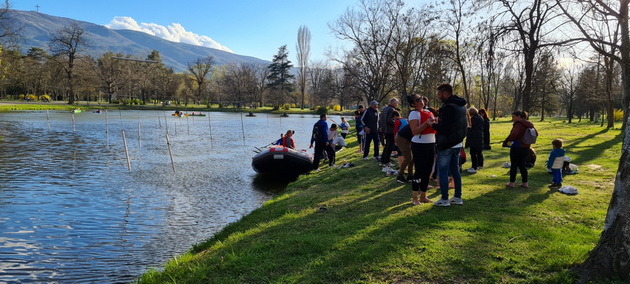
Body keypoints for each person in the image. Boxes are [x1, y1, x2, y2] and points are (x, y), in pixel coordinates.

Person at [427, 83, 468, 207]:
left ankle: (444, 199)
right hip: (457, 143)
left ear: (445, 93)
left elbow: (444, 128)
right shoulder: (461, 105)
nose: (438, 97)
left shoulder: (448, 106)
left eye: (439, 94)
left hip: (447, 144)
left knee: (443, 171)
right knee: (455, 170)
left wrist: (432, 125)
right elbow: (454, 123)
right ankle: (457, 197)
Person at [408, 94, 437, 205]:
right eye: (417, 100)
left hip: (431, 143)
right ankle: (415, 198)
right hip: (419, 144)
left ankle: (423, 196)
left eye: (421, 99)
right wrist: (427, 122)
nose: (420, 101)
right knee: (419, 171)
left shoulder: (428, 111)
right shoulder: (414, 114)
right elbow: (414, 131)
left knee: (428, 171)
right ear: (413, 104)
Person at [503, 110, 536, 188]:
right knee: (522, 165)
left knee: (514, 164)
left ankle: (512, 182)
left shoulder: (518, 124)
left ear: (519, 116)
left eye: (514, 117)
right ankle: (525, 182)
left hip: (517, 146)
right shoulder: (529, 124)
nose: (513, 119)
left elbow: (514, 134)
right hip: (526, 146)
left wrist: (509, 140)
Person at [378, 98, 400, 166]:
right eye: (397, 103)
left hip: (384, 129)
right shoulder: (391, 109)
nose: (397, 105)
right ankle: (386, 161)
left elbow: (381, 119)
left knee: (387, 145)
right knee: (389, 146)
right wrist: (396, 124)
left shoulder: (384, 108)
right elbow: (389, 120)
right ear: (393, 103)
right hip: (390, 130)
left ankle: (383, 159)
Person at [465, 107, 484, 173]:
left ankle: (474, 167)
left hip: (474, 137)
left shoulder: (473, 119)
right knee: (479, 152)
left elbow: (470, 127)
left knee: (473, 153)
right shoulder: (480, 117)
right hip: (479, 137)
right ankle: (480, 164)